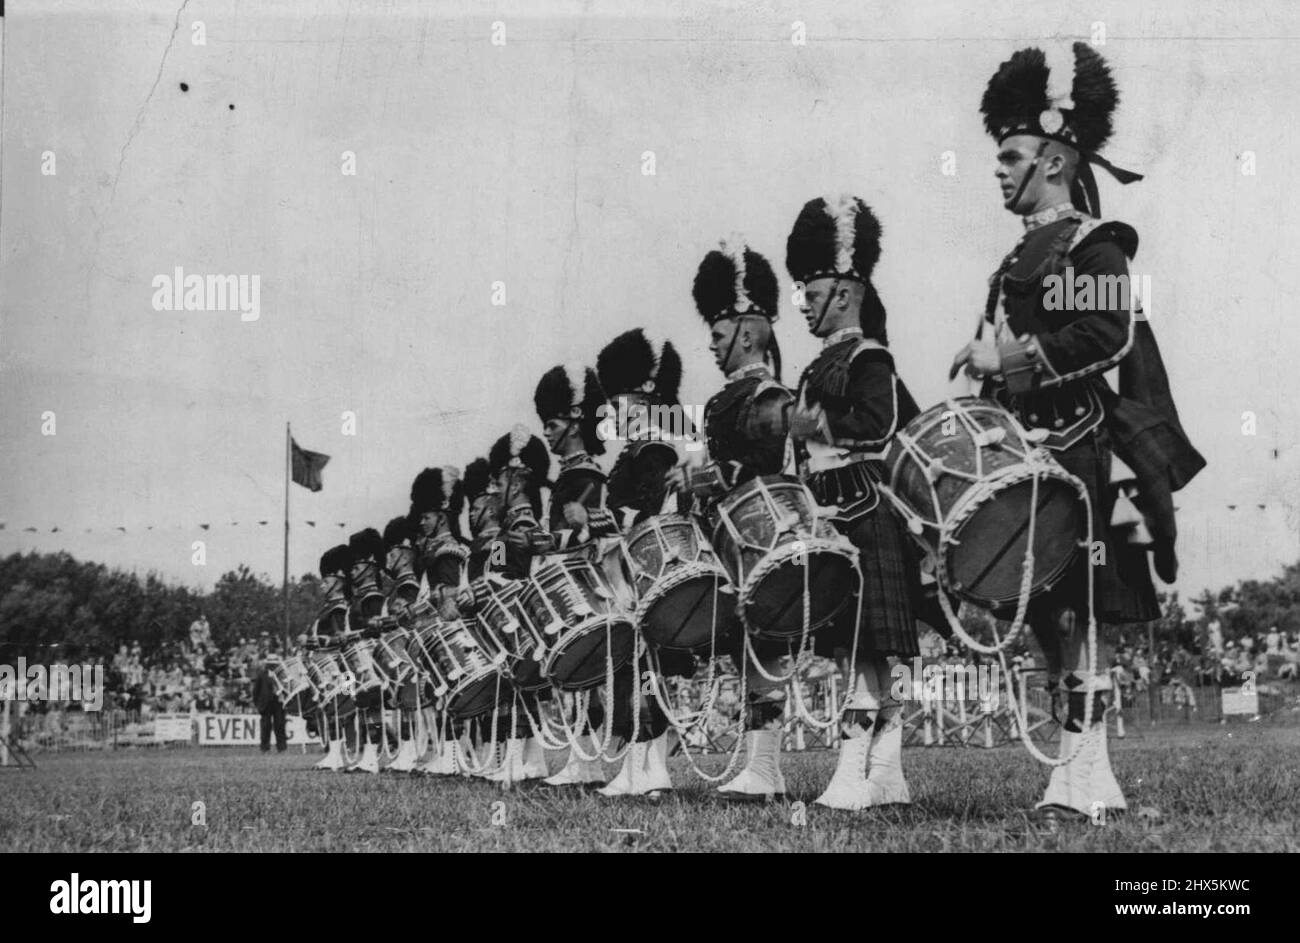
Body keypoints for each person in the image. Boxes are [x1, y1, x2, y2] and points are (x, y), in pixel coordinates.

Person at [952, 43, 1204, 818]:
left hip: (1081, 447)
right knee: (1041, 620)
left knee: (1080, 615)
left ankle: (1088, 773)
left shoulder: (1093, 243)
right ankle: (1076, 768)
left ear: (1054, 161)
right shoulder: (1015, 257)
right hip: (1026, 456)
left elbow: (1106, 335)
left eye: (1011, 155)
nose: (997, 169)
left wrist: (1011, 356)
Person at [785, 193, 925, 810]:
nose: (803, 307)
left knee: (866, 647)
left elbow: (880, 421)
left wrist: (814, 425)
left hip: (864, 510)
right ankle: (886, 772)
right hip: (829, 512)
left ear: (843, 292)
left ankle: (855, 774)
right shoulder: (818, 365)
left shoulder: (870, 357)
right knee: (854, 648)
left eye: (810, 295)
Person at [678, 235, 794, 801]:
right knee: (751, 647)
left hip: (762, 537)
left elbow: (773, 464)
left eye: (719, 336)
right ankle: (760, 767)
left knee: (765, 646)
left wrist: (712, 477)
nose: (713, 347)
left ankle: (766, 769)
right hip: (732, 541)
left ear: (748, 333)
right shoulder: (727, 398)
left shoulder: (768, 395)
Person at [595, 329, 693, 798]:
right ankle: (645, 767)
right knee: (639, 668)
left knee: (638, 666)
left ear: (647, 393)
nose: (612, 411)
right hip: (642, 565)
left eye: (620, 401)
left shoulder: (652, 444)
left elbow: (653, 508)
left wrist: (609, 517)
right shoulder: (652, 440)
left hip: (644, 568)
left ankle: (648, 766)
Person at [530, 362, 623, 789]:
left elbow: (588, 532)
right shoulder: (570, 473)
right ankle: (581, 762)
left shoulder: (585, 475)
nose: (546, 434)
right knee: (577, 678)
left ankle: (589, 763)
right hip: (574, 579)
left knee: (586, 673)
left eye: (550, 424)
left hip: (592, 580)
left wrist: (552, 542)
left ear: (571, 422)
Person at [253, 657, 287, 753]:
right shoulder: (262, 675)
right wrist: (257, 704)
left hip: (279, 703)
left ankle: (281, 747)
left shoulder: (282, 675)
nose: (272, 666)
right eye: (271, 664)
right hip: (266, 704)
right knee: (265, 726)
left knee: (280, 725)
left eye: (274, 664)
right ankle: (265, 748)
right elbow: (256, 691)